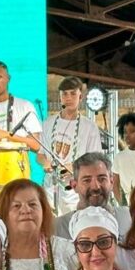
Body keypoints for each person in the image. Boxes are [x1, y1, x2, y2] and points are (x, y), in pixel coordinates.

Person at [0, 179, 75, 270]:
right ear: (3, 214)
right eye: (16, 206)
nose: (26, 210)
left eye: (32, 204)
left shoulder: (66, 250)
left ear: (43, 211)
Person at [39, 76, 102, 205]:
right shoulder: (48, 123)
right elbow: (40, 155)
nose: (68, 98)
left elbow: (95, 160)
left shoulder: (89, 127)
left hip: (76, 191)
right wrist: (46, 163)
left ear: (80, 96)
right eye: (64, 94)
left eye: (73, 94)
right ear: (60, 97)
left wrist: (73, 167)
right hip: (51, 188)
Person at [53, 154, 131, 240]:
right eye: (87, 180)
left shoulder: (129, 219)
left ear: (112, 182)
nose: (96, 186)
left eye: (102, 179)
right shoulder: (58, 229)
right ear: (74, 185)